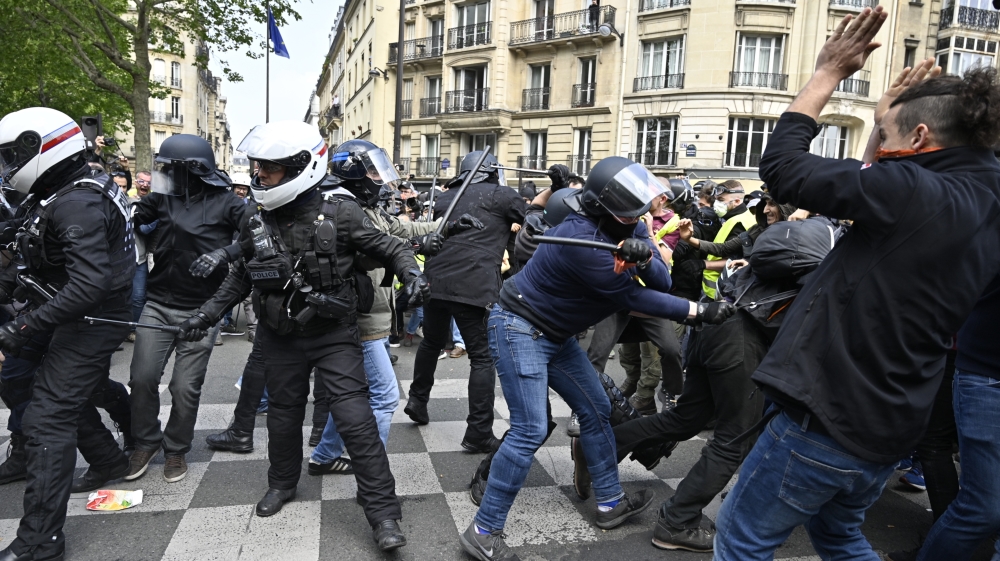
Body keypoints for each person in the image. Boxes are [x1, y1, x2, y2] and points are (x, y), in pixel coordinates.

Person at [712, 8, 1000, 559]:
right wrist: (880, 122)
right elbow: (878, 185)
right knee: (840, 536)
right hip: (891, 424)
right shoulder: (983, 193)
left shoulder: (913, 193)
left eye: (888, 137)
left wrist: (826, 74)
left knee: (741, 540)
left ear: (919, 138)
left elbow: (784, 169)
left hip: (825, 417)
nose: (880, 147)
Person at [459, 156, 735, 560]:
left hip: (555, 333)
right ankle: (483, 532)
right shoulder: (580, 241)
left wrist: (646, 255)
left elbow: (662, 279)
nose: (640, 215)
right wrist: (698, 311)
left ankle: (610, 503)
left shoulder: (630, 222)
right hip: (520, 327)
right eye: (632, 210)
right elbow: (632, 297)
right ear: (603, 205)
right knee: (530, 429)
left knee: (597, 409)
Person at [180, 121, 430, 551]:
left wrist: (412, 273)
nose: (260, 177)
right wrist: (204, 316)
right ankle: (281, 484)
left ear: (299, 167)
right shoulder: (258, 217)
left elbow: (391, 246)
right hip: (280, 336)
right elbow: (240, 277)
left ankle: (384, 514)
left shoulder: (341, 212)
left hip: (334, 335)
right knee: (282, 415)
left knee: (357, 420)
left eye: (269, 170)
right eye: (258, 169)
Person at [608, 194, 808, 553]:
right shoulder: (814, 239)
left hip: (718, 324)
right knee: (734, 438)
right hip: (741, 339)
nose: (765, 209)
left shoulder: (782, 235)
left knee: (687, 417)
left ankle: (600, 449)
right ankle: (677, 521)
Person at [0, 107, 135, 561]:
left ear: (41, 148)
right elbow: (28, 256)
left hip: (92, 316)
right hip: (64, 308)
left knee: (47, 418)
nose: (6, 166)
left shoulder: (77, 200)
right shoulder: (60, 192)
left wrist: (23, 325)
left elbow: (89, 284)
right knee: (19, 378)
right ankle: (108, 457)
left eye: (9, 156)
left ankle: (40, 543)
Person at [308, 138, 479, 476]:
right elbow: (385, 245)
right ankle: (373, 473)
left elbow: (405, 228)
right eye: (372, 170)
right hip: (362, 320)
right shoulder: (344, 210)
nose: (379, 178)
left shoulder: (365, 207)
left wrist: (448, 227)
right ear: (353, 173)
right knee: (384, 397)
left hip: (374, 317)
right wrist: (416, 245)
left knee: (353, 396)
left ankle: (324, 455)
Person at [125, 134, 248, 484]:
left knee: (184, 387)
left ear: (191, 170)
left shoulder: (229, 203)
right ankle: (145, 442)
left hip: (203, 310)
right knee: (142, 378)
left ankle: (176, 448)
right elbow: (133, 213)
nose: (161, 172)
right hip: (158, 304)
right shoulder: (163, 197)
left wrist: (225, 253)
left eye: (168, 167)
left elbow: (257, 234)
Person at [403, 150, 527, 454]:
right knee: (482, 357)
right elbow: (533, 221)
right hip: (474, 286)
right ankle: (478, 432)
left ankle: (418, 401)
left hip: (436, 283)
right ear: (491, 170)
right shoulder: (502, 195)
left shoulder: (446, 198)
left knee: (431, 344)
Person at [127, 170, 155, 343]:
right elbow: (143, 228)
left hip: (141, 258)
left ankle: (133, 329)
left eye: (148, 182)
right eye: (141, 181)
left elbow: (144, 229)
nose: (144, 185)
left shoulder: (154, 204)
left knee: (138, 296)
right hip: (122, 258)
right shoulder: (126, 202)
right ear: (135, 182)